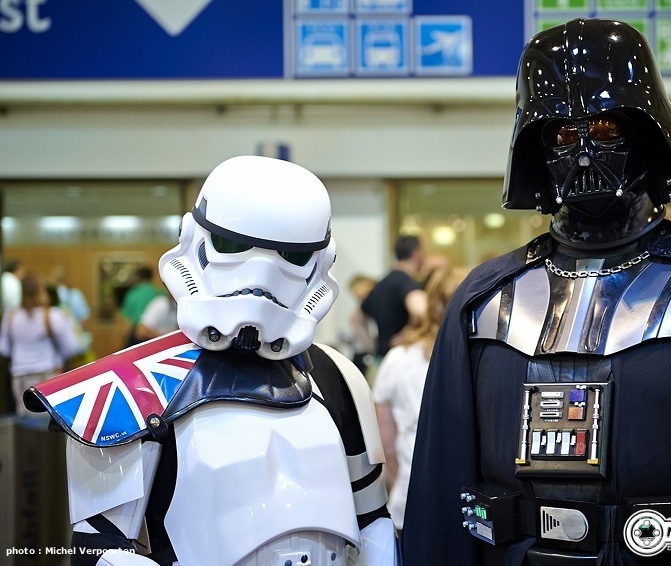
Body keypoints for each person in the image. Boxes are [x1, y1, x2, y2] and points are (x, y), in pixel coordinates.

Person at [402, 19, 671, 565]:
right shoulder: (484, 298)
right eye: (562, 135)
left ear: (648, 134)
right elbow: (444, 495)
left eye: (606, 128)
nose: (584, 153)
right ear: (536, 146)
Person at [24, 156, 397, 565]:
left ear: (321, 263)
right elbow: (100, 552)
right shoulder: (125, 389)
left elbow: (373, 523)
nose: (261, 278)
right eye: (232, 246)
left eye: (291, 256)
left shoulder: (337, 376)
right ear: (192, 239)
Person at [373, 265, 468, 532]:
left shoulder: (398, 359)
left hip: (412, 500)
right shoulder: (485, 359)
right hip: (474, 509)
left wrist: (397, 482)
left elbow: (385, 446)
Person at [0, 275, 80, 416]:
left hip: (20, 376)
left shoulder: (11, 316)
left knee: (24, 419)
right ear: (41, 291)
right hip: (47, 374)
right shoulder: (52, 315)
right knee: (48, 418)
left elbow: (4, 349)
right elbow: (72, 347)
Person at [360, 235, 426, 360]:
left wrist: (372, 348)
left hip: (382, 358)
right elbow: (420, 311)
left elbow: (356, 319)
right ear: (416, 253)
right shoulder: (406, 282)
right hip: (403, 357)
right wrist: (408, 333)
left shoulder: (380, 284)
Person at [120, 264, 165, 347]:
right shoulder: (159, 293)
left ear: (139, 278)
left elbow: (127, 321)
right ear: (152, 277)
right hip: (155, 335)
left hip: (136, 335)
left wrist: (124, 339)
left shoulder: (132, 294)